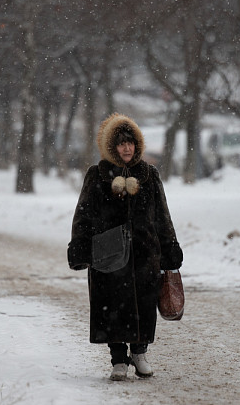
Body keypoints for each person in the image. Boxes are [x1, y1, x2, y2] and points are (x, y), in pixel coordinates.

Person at [67, 113, 183, 381]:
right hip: (108, 254)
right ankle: (118, 359)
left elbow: (162, 215)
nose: (127, 148)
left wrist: (169, 248)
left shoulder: (149, 174)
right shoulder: (97, 175)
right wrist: (81, 247)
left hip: (145, 253)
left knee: (143, 303)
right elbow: (83, 214)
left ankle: (140, 353)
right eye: (121, 143)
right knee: (113, 305)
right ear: (112, 147)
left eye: (130, 142)